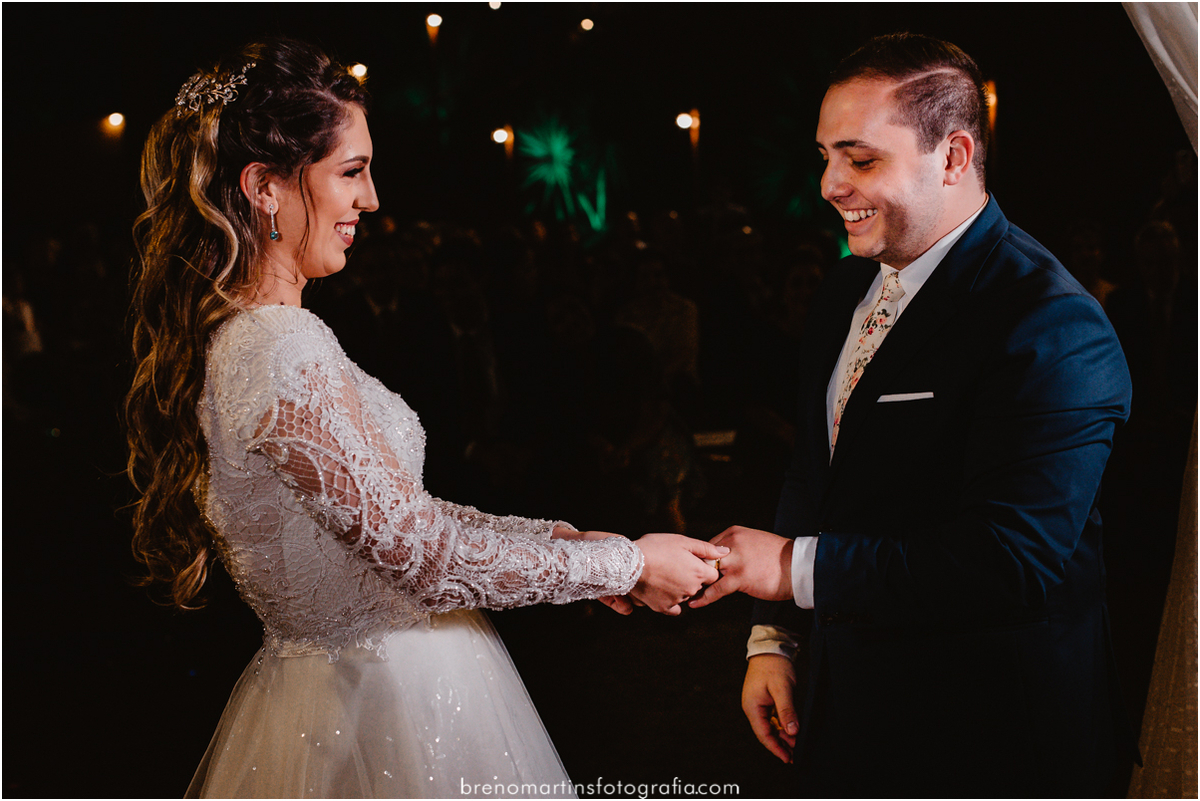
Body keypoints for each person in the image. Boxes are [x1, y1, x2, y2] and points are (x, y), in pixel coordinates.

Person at [124, 39, 726, 798]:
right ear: (264, 188)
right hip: (373, 701)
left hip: (352, 684)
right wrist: (628, 564)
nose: (371, 199)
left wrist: (561, 541)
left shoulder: (256, 338)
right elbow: (422, 556)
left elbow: (394, 518)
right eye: (351, 172)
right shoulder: (279, 346)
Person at [690, 33, 1135, 796]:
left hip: (987, 735)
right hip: (847, 714)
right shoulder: (842, 292)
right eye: (827, 155)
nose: (830, 184)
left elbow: (1009, 561)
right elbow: (816, 472)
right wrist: (776, 639)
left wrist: (789, 569)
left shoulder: (1051, 324)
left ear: (954, 156)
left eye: (860, 160)